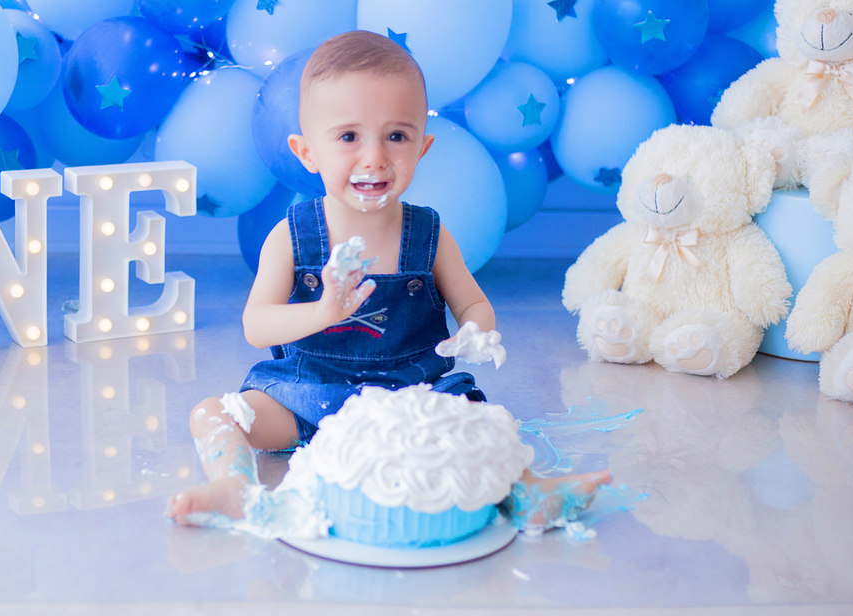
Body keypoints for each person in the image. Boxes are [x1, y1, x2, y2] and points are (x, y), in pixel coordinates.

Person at [167, 30, 609, 528]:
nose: (375, 157)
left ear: (423, 146)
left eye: (396, 136)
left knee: (483, 426)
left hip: (414, 395)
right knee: (213, 412)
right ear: (307, 152)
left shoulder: (429, 234)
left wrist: (476, 330)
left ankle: (526, 496)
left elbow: (472, 303)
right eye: (349, 137)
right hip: (307, 393)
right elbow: (256, 324)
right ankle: (234, 488)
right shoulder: (291, 237)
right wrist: (321, 312)